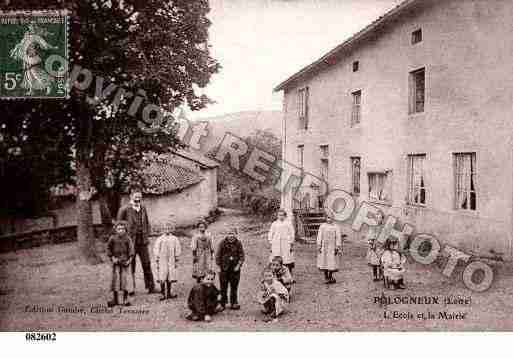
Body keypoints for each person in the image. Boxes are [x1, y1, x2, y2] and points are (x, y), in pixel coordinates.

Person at [117, 189, 157, 294]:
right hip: (130, 242)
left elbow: (147, 222)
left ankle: (151, 287)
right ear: (131, 196)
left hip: (143, 241)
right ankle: (130, 289)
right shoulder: (124, 209)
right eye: (136, 196)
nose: (138, 199)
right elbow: (118, 226)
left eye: (140, 197)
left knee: (147, 263)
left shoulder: (143, 208)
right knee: (131, 265)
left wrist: (147, 234)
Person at [215, 227, 245, 310]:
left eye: (232, 233)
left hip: (235, 269)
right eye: (229, 233)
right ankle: (222, 303)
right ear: (226, 234)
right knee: (223, 286)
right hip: (224, 269)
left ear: (236, 234)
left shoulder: (238, 243)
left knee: (234, 286)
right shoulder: (222, 243)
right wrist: (218, 266)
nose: (231, 236)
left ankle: (234, 302)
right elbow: (218, 255)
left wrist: (238, 265)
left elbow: (241, 256)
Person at [107, 221, 135, 307]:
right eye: (119, 229)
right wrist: (112, 258)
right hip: (116, 263)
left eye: (122, 229)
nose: (121, 230)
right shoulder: (112, 238)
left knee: (125, 280)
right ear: (115, 230)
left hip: (125, 263)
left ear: (125, 230)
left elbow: (131, 250)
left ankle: (125, 299)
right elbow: (108, 249)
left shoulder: (127, 239)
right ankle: (115, 299)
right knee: (115, 280)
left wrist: (129, 260)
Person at [153, 223, 181, 300]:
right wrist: (157, 258)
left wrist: (176, 257)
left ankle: (168, 293)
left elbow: (177, 248)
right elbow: (156, 249)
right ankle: (162, 293)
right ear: (162, 229)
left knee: (170, 275)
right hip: (162, 259)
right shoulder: (160, 239)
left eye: (169, 228)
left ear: (172, 229)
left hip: (171, 259)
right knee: (162, 274)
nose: (167, 230)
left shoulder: (174, 238)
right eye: (165, 229)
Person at [316, 215, 343, 284]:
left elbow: (338, 237)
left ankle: (330, 276)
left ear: (333, 218)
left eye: (330, 218)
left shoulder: (336, 227)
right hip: (324, 246)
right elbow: (319, 236)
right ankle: (326, 277)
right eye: (328, 218)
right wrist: (319, 245)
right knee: (324, 261)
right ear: (326, 218)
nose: (329, 219)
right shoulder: (322, 226)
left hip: (332, 246)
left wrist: (337, 246)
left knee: (331, 262)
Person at [268, 209, 295, 274]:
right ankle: (276, 273)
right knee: (276, 258)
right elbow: (271, 233)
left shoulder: (288, 223)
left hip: (286, 243)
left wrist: (291, 243)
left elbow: (292, 233)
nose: (281, 217)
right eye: (279, 215)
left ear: (285, 216)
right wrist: (271, 243)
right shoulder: (274, 224)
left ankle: (288, 274)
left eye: (282, 215)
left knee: (287, 258)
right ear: (277, 216)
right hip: (276, 243)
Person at [365, 211, 384, 282]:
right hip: (374, 247)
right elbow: (369, 237)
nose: (378, 219)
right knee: (374, 262)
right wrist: (371, 243)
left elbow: (386, 237)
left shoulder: (384, 228)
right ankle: (375, 275)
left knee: (381, 262)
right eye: (377, 218)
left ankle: (381, 274)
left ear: (382, 219)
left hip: (382, 247)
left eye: (380, 218)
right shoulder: (373, 227)